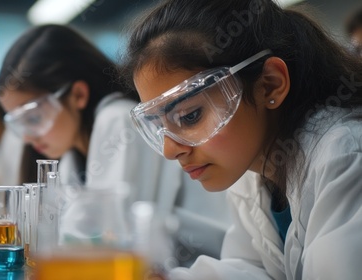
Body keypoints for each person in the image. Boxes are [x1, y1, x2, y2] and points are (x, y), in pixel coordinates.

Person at [123, 0, 362, 279]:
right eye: (159, 126)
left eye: (189, 116)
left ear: (270, 84)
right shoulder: (253, 172)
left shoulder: (345, 155)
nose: (169, 150)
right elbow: (254, 270)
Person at [0, 24, 231, 267]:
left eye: (33, 118)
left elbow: (107, 237)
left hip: (206, 262)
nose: (27, 137)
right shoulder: (71, 157)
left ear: (78, 95)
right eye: (18, 124)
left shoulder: (116, 118)